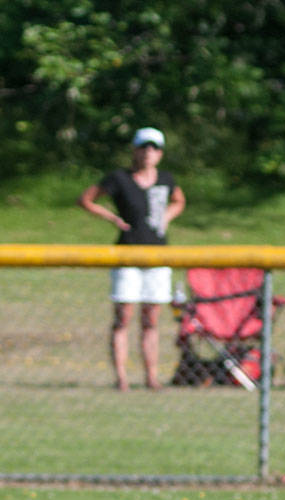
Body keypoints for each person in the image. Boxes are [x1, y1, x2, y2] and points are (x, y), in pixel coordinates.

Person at [79, 127, 187, 391]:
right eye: (144, 147)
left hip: (157, 254)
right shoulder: (119, 178)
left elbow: (179, 200)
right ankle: (122, 378)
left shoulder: (165, 179)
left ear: (160, 153)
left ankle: (151, 376)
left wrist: (168, 216)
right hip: (127, 254)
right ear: (134, 150)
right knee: (123, 318)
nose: (149, 153)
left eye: (154, 148)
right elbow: (86, 199)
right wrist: (112, 218)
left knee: (151, 319)